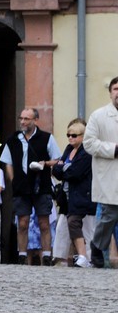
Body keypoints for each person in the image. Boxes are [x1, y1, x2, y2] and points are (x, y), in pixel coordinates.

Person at [2, 107, 56, 265]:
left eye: (27, 119)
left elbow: (57, 159)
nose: (23, 122)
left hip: (41, 185)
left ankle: (46, 255)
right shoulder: (13, 139)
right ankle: (22, 254)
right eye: (21, 118)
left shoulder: (46, 138)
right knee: (23, 222)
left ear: (35, 120)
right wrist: (13, 180)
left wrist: (45, 164)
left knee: (43, 222)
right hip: (21, 187)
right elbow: (8, 162)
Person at [84, 76, 118, 268]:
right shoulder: (99, 116)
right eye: (115, 89)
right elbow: (89, 143)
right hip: (110, 173)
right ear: (110, 92)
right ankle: (97, 246)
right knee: (109, 215)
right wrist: (113, 149)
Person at [50, 120, 93, 268]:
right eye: (68, 135)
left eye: (74, 135)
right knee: (63, 226)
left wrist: (62, 168)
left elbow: (76, 173)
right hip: (67, 197)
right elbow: (56, 171)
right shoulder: (69, 149)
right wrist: (62, 168)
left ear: (82, 136)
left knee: (80, 226)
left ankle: (86, 257)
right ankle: (61, 257)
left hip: (82, 195)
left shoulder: (87, 151)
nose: (70, 138)